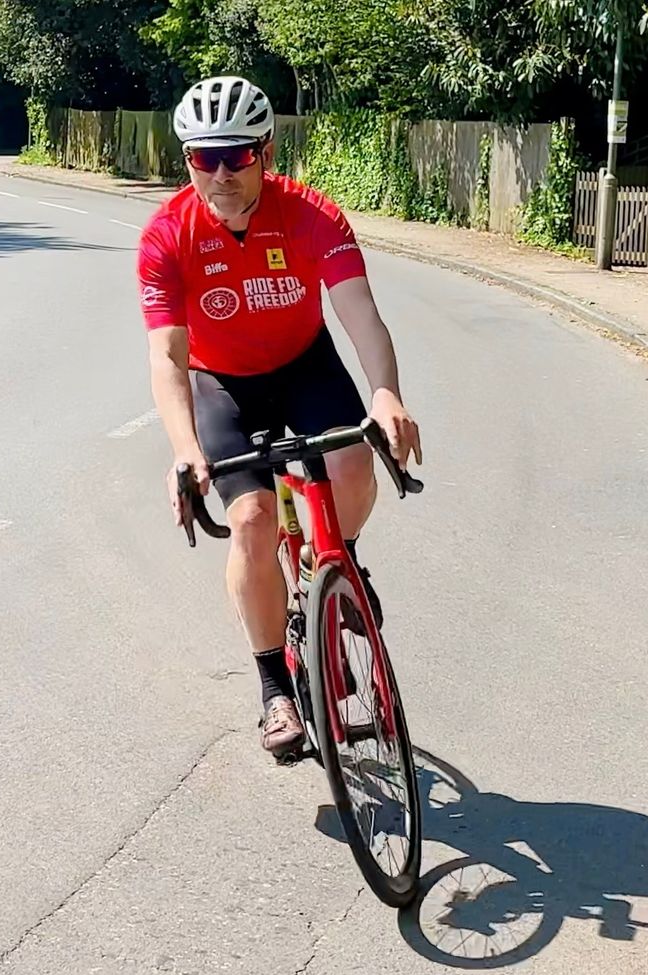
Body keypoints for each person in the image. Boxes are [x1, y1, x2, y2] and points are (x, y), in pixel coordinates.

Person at [137, 75, 422, 757]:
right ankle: (274, 690)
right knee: (253, 521)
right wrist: (185, 449)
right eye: (205, 158)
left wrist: (386, 393)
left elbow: (362, 317)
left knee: (353, 463)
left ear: (266, 152)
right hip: (222, 383)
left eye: (237, 155)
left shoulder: (311, 214)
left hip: (304, 364)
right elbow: (168, 357)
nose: (222, 173)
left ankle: (336, 562)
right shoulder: (167, 235)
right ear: (188, 160)